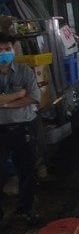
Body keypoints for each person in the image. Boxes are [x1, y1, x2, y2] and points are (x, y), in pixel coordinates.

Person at [0, 32, 41, 223]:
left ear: (13, 49)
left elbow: (33, 97)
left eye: (7, 49)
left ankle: (25, 210)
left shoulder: (25, 71)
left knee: (27, 169)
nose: (4, 53)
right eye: (0, 50)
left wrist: (4, 103)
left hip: (24, 126)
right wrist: (18, 94)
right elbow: (25, 95)